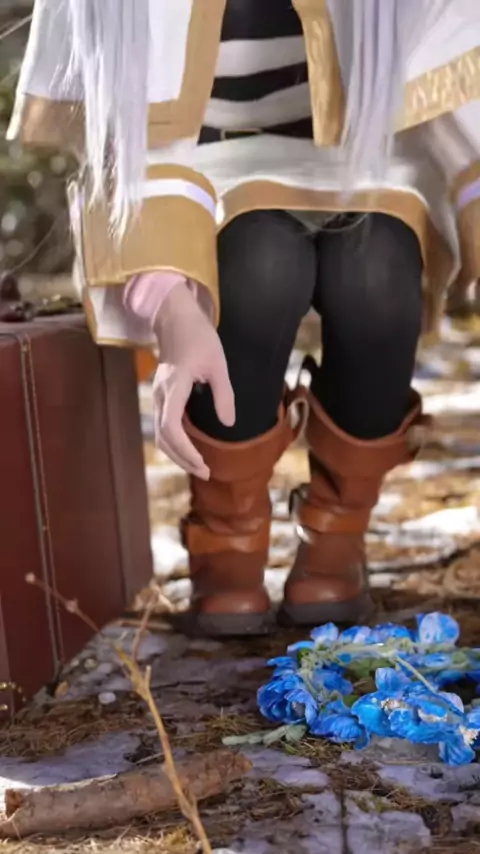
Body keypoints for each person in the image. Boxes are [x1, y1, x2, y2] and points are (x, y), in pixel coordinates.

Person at [9, 0, 480, 636]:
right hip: (201, 176)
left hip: (363, 157)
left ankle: (338, 533)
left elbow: (456, 97)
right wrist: (172, 309)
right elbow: (125, 145)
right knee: (261, 263)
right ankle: (227, 533)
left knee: (375, 269)